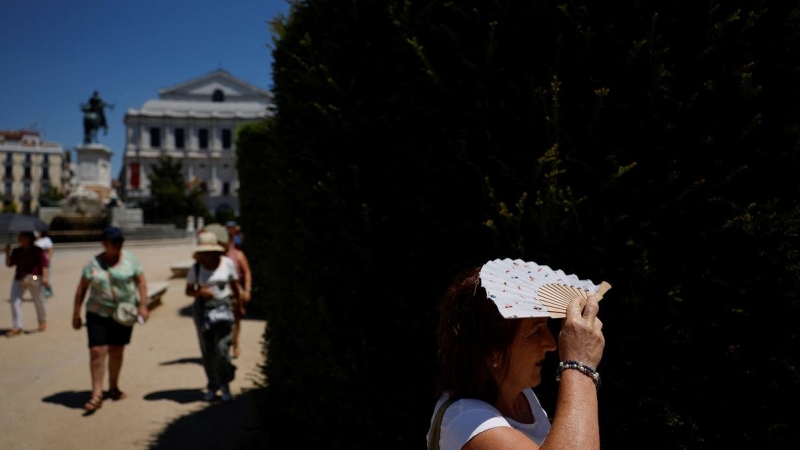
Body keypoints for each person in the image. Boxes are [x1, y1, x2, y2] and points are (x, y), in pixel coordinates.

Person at [427, 264, 606, 450]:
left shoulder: (521, 394)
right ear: (491, 351)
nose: (551, 344)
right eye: (536, 332)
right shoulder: (467, 422)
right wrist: (579, 364)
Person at [72, 227, 149, 412]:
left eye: (120, 243)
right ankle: (96, 394)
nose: (118, 246)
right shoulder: (93, 264)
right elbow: (82, 288)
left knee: (116, 349)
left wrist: (143, 305)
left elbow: (141, 281)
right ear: (105, 244)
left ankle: (113, 386)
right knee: (97, 351)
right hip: (97, 312)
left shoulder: (131, 260)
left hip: (123, 313)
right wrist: (76, 313)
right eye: (115, 243)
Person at [185, 231, 242, 402]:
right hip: (203, 310)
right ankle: (213, 384)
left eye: (209, 252)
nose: (206, 256)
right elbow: (188, 291)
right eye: (203, 253)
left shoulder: (227, 264)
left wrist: (239, 305)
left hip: (223, 307)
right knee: (208, 349)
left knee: (222, 349)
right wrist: (200, 292)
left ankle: (225, 381)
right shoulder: (195, 268)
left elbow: (235, 285)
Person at [5, 231, 49, 336]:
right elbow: (9, 264)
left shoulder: (37, 250)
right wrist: (7, 253)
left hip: (34, 276)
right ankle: (17, 326)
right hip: (19, 277)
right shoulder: (17, 251)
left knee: (38, 300)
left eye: (21, 236)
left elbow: (43, 265)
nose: (18, 238)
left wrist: (44, 277)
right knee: (14, 300)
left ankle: (42, 320)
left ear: (28, 238)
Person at [34, 231, 54, 298]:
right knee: (34, 277)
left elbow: (50, 250)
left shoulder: (46, 240)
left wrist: (48, 258)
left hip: (44, 263)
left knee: (44, 277)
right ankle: (40, 290)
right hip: (35, 263)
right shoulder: (33, 242)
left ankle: (45, 290)